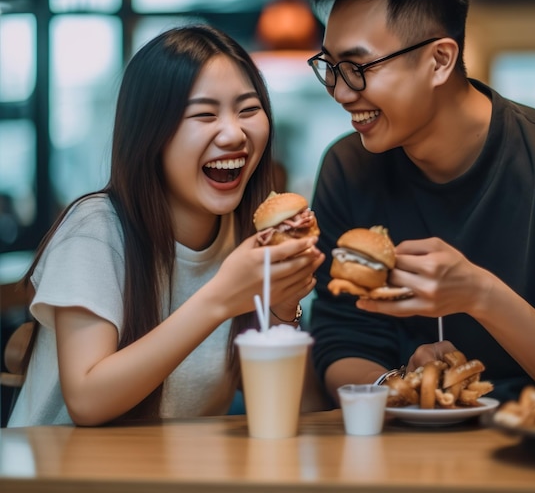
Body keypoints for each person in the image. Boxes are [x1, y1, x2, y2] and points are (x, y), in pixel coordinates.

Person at [305, 0, 535, 405]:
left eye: (357, 67)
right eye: (329, 66)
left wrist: (481, 296)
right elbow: (341, 341)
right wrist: (396, 389)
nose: (340, 91)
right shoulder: (348, 167)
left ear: (439, 61)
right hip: (397, 457)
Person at [7, 24, 324, 427]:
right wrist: (221, 299)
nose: (234, 133)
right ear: (150, 133)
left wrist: (281, 310)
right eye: (204, 114)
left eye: (248, 110)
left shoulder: (248, 236)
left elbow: (306, 409)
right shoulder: (97, 229)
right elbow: (86, 400)